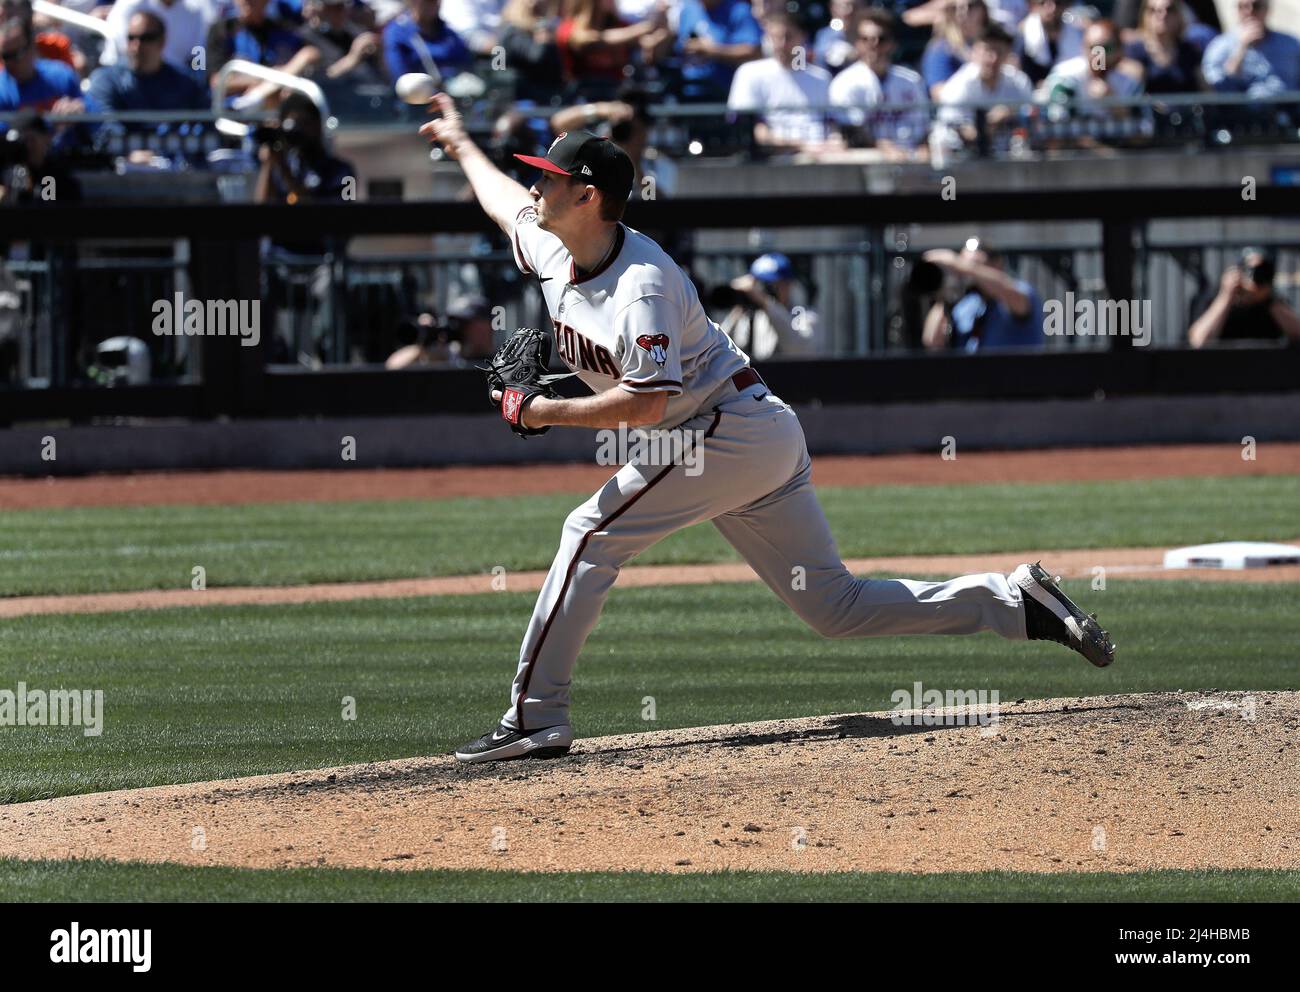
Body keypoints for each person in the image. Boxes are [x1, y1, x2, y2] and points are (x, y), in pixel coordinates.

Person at [419, 93, 1115, 764]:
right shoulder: (553, 247)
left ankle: (536, 718)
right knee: (834, 606)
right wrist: (459, 145)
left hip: (724, 432)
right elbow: (500, 199)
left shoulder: (642, 285)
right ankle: (1015, 601)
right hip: (748, 435)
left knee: (590, 534)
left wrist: (539, 412)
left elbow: (647, 405)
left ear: (588, 196)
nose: (535, 189)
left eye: (550, 179)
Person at [727, 11, 836, 153]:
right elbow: (752, 130)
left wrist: (834, 144)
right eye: (775, 38)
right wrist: (801, 146)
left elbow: (832, 125)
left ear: (802, 36)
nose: (782, 44)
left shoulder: (822, 77)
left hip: (822, 155)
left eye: (788, 37)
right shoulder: (749, 73)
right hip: (773, 159)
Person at [828, 8, 930, 159]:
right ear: (857, 43)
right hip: (867, 160)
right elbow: (851, 131)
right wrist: (883, 147)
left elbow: (923, 125)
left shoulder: (911, 80)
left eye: (881, 39)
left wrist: (923, 147)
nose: (873, 45)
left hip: (910, 157)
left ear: (892, 43)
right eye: (865, 39)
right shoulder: (844, 82)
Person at [921, 238, 1045, 351]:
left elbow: (1011, 294)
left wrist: (957, 263)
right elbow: (932, 342)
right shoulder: (967, 305)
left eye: (973, 264)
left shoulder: (1018, 290)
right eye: (963, 265)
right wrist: (944, 299)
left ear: (997, 263)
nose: (964, 271)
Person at [931, 22, 1032, 156]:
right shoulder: (960, 85)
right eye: (987, 50)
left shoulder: (1018, 82)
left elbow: (1031, 119)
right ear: (974, 51)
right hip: (959, 157)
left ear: (1008, 54)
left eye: (999, 51)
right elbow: (965, 133)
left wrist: (1011, 114)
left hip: (1006, 155)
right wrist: (992, 120)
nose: (993, 58)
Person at [88, 12, 210, 112]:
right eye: (131, 38)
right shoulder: (106, 80)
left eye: (146, 38)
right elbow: (108, 132)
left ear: (162, 41)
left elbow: (206, 128)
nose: (137, 46)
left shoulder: (186, 82)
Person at [207, 0, 321, 98]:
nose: (247, 1)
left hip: (279, 108)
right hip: (236, 110)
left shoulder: (285, 31)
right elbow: (217, 82)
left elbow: (312, 55)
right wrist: (271, 77)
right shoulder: (223, 30)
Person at [1188, 249, 1300, 347]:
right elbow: (1199, 341)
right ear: (1239, 270)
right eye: (1251, 270)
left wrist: (1267, 300)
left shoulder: (1274, 301)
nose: (1256, 276)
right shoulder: (1215, 297)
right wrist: (1226, 296)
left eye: (1262, 271)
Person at [720, 252, 824, 358]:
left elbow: (800, 349)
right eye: (759, 284)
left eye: (770, 285)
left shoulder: (804, 315)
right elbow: (720, 348)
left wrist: (767, 304)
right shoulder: (750, 317)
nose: (763, 291)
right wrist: (738, 306)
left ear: (788, 284)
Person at [1039, 18, 1143, 117]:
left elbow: (1145, 130)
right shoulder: (1065, 78)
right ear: (1083, 47)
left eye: (1106, 48)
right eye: (1094, 48)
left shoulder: (1128, 83)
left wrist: (1114, 104)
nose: (1098, 56)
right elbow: (1058, 128)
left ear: (1119, 50)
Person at [1201, 0, 1299, 99]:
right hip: (1243, 110)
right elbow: (1217, 86)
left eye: (1256, 6)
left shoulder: (1290, 44)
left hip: (1288, 108)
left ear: (1267, 9)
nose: (1249, 12)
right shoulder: (1220, 46)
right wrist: (1241, 48)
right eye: (1243, 7)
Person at [668, 0, 762, 102]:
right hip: (687, 92)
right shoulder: (688, 8)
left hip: (724, 94)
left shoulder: (739, 10)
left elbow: (753, 52)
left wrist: (713, 50)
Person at [100, 0, 216, 78]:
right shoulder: (129, 5)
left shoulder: (195, 11)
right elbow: (124, 47)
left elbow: (198, 55)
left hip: (176, 83)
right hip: (127, 77)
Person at [0, 16, 83, 112]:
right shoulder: (2, 90)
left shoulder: (60, 76)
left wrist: (78, 108)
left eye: (16, 55)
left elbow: (94, 113)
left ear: (32, 47)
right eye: (5, 56)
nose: (10, 62)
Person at [1122, 0, 1202, 93]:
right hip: (1150, 107)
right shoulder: (1134, 51)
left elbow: (1205, 91)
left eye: (1169, 9)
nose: (1162, 15)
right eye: (1153, 10)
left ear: (1177, 14)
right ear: (1145, 15)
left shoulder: (1189, 50)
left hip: (1187, 107)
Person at [382, 0, 472, 80]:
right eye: (427, 1)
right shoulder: (397, 32)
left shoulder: (449, 33)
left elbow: (466, 64)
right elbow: (400, 76)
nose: (434, 3)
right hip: (417, 94)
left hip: (454, 91)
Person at [919, 0, 989, 99]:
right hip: (963, 110)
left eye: (970, 6)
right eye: (954, 8)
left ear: (983, 9)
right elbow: (939, 94)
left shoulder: (997, 44)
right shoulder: (940, 48)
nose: (962, 12)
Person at [299, 0, 384, 81]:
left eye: (342, 6)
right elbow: (323, 78)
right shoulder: (307, 37)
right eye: (333, 8)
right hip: (338, 92)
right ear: (317, 9)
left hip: (374, 89)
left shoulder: (352, 31)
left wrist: (379, 52)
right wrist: (353, 58)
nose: (340, 11)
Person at [1014, 0, 1082, 87]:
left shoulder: (1078, 32)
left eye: (1058, 3)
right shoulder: (1022, 35)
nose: (1052, 9)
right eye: (1043, 3)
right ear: (1032, 6)